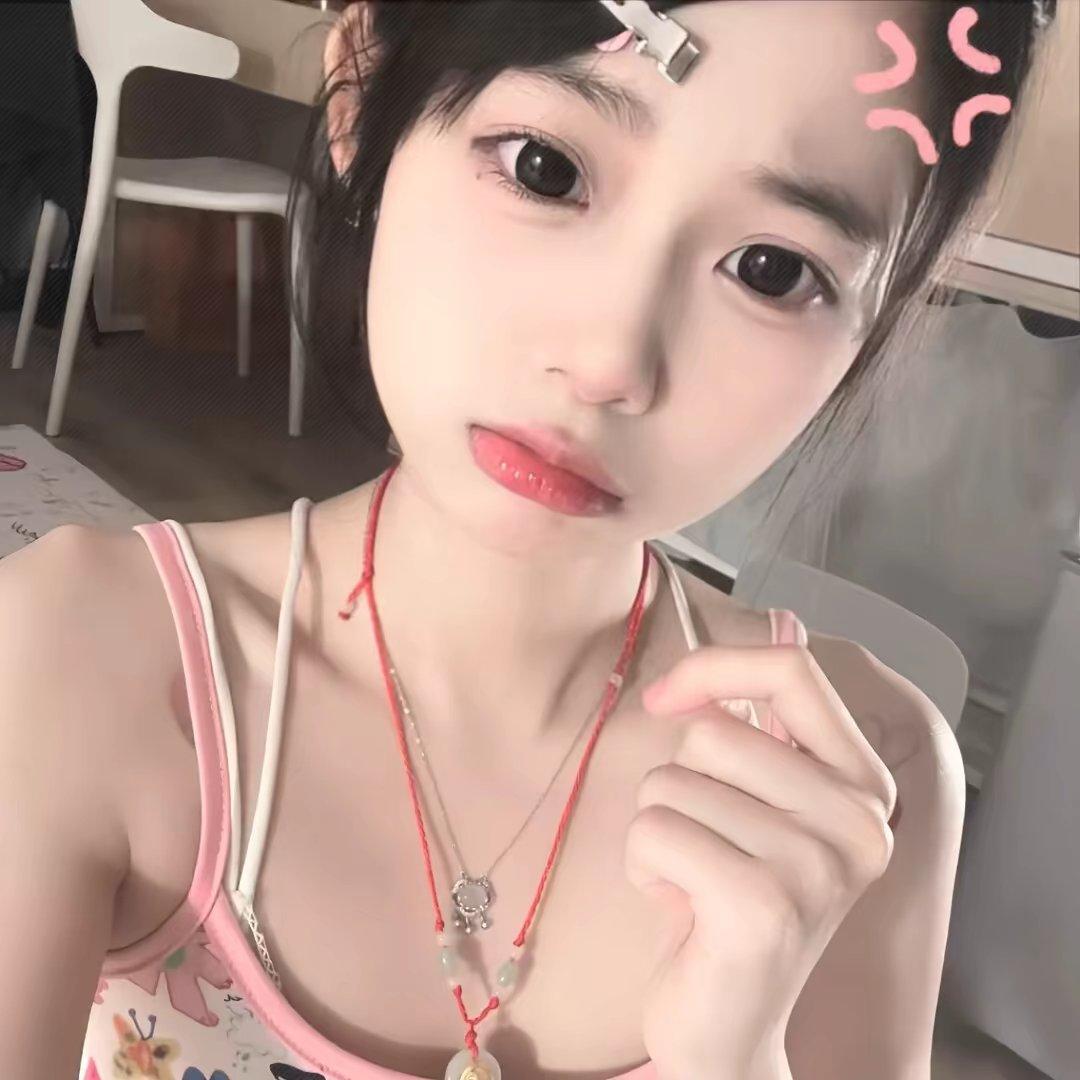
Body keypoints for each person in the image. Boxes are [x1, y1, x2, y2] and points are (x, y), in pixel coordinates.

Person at [0, 2, 1058, 1078]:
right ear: (363, 89)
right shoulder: (76, 656)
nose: (610, 361)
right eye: (546, 170)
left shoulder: (868, 782)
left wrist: (738, 1058)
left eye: (772, 270)